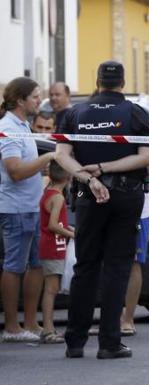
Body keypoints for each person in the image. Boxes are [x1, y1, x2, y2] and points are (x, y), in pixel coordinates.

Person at [56, 60, 149, 359]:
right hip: (126, 196)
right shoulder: (137, 112)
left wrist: (89, 176)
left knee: (85, 267)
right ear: (122, 83)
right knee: (117, 267)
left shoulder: (75, 113)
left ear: (97, 82)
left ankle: (74, 342)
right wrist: (105, 169)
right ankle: (110, 342)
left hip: (88, 195)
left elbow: (61, 155)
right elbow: (146, 156)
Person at [0, 77, 55, 343]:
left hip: (32, 206)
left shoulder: (22, 126)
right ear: (20, 100)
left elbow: (26, 167)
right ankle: (12, 327)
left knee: (36, 266)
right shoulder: (9, 128)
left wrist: (39, 166)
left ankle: (30, 323)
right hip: (16, 209)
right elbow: (15, 171)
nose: (39, 100)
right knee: (14, 266)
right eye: (35, 96)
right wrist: (47, 157)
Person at [39, 160, 74, 344]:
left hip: (52, 244)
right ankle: (48, 329)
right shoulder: (58, 197)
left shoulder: (48, 193)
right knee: (51, 290)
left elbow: (57, 222)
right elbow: (53, 225)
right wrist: (71, 234)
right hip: (53, 245)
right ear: (68, 176)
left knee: (50, 288)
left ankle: (48, 327)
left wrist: (71, 230)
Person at [120, 164, 149, 337]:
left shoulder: (141, 136)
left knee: (133, 262)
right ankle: (113, 318)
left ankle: (128, 319)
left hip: (138, 208)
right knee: (108, 261)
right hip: (107, 204)